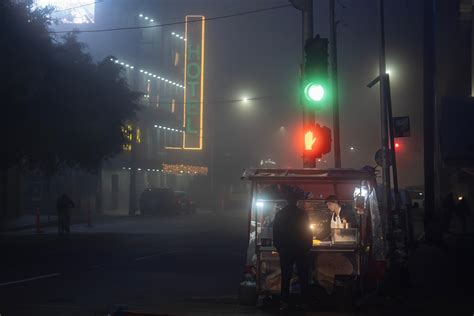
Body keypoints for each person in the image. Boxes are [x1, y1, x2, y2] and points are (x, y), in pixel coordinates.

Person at [273, 189, 313, 310]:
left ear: (286, 201)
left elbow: (276, 233)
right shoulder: (302, 214)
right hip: (301, 249)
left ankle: (284, 301)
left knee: (285, 276)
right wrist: (307, 246)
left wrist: (279, 248)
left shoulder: (280, 214)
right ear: (296, 201)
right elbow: (308, 232)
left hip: (285, 250)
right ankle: (305, 302)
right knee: (303, 276)